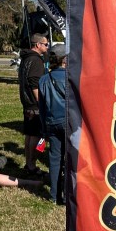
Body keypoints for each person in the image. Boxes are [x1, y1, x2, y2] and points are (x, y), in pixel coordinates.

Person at [18, 22, 49, 176]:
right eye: (45, 44)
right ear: (37, 45)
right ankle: (31, 165)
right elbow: (34, 83)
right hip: (34, 104)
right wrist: (41, 103)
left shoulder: (25, 58)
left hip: (26, 102)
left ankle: (28, 163)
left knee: (30, 134)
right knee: (37, 136)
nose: (47, 47)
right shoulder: (36, 60)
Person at [38, 43, 67, 205]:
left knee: (55, 159)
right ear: (65, 60)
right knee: (70, 159)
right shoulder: (71, 78)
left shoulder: (43, 79)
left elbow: (41, 107)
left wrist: (44, 129)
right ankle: (68, 194)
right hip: (69, 123)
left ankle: (54, 195)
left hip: (50, 123)